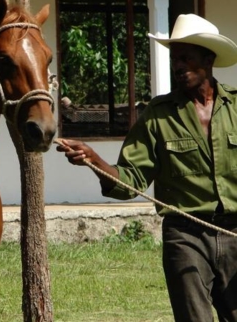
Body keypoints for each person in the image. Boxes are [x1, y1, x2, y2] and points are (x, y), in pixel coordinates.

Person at [57, 14, 237, 322]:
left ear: (208, 59)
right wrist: (94, 160)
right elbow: (131, 179)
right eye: (174, 59)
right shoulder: (157, 116)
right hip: (186, 236)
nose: (177, 66)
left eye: (186, 58)